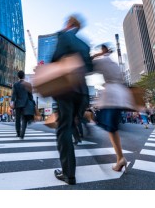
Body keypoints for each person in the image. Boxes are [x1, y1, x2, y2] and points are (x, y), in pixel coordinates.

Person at [51, 14, 93, 185]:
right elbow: (90, 68)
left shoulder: (63, 36)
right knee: (71, 125)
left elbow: (55, 59)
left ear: (69, 23)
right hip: (81, 92)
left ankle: (68, 173)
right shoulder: (84, 44)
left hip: (66, 90)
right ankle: (69, 171)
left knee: (64, 129)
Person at [91, 43, 134, 172]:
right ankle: (120, 157)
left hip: (111, 97)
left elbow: (88, 65)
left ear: (104, 50)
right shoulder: (114, 63)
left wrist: (97, 55)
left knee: (107, 125)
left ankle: (120, 157)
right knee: (112, 128)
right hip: (120, 95)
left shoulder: (103, 61)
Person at [10, 70, 33, 139]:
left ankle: (18, 132)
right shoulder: (28, 84)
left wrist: (12, 102)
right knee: (24, 119)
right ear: (24, 76)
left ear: (18, 76)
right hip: (26, 104)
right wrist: (32, 102)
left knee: (17, 119)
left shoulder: (15, 85)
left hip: (18, 104)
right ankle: (22, 133)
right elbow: (30, 96)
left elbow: (13, 95)